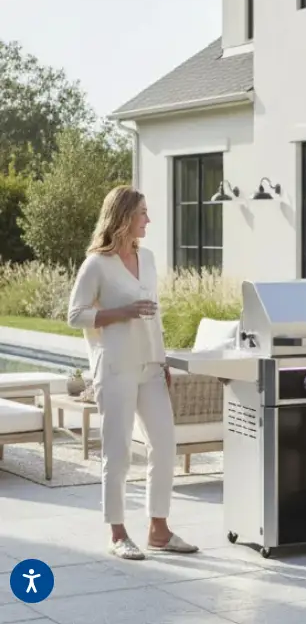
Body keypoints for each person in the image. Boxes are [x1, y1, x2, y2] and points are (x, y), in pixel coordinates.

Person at [66, 186, 197, 559]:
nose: (148, 220)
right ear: (123, 216)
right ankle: (117, 533)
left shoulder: (148, 258)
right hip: (115, 367)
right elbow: (75, 315)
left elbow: (154, 314)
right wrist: (121, 312)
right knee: (118, 451)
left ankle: (159, 529)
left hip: (150, 367)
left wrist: (162, 359)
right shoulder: (97, 264)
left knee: (165, 445)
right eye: (142, 213)